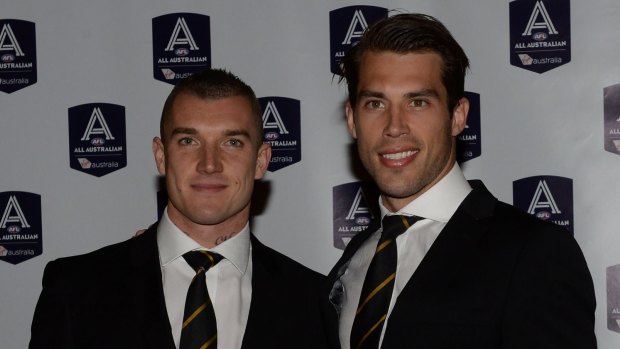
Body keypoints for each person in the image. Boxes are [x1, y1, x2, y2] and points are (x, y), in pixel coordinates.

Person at [323, 13, 596, 349]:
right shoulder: (357, 257)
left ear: (458, 116)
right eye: (375, 103)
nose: (394, 126)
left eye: (418, 102)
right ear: (352, 119)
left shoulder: (532, 254)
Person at [30, 69, 329, 349]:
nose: (209, 164)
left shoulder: (316, 302)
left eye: (232, 142)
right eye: (188, 141)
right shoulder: (75, 291)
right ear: (161, 156)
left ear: (261, 161)